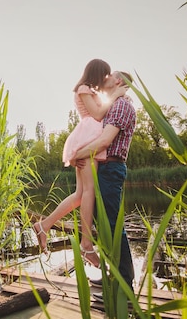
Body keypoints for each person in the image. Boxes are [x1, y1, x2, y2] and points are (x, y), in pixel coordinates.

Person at [33, 59, 126, 266]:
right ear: (97, 73)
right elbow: (98, 113)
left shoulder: (89, 89)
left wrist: (112, 96)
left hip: (90, 134)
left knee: (79, 195)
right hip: (89, 136)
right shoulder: (84, 88)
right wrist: (115, 96)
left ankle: (44, 225)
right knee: (88, 192)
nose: (106, 78)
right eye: (105, 74)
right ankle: (86, 244)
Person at [72, 70, 137, 289]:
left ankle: (124, 283)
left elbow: (104, 141)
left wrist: (76, 154)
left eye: (109, 74)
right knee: (104, 224)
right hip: (103, 167)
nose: (105, 77)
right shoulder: (112, 104)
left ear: (118, 80)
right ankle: (113, 276)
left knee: (112, 223)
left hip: (111, 168)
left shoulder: (121, 106)